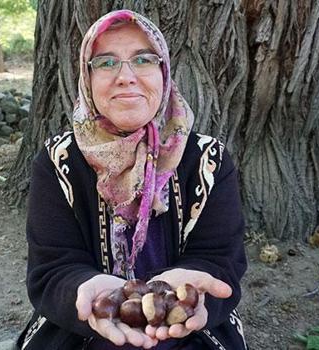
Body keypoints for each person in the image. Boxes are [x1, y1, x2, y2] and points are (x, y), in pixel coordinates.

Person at [17, 9, 248, 350]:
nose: (125, 76)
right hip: (81, 328)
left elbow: (219, 259)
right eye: (106, 63)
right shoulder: (57, 161)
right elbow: (52, 267)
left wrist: (183, 298)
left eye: (143, 59)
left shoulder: (208, 160)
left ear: (164, 72)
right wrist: (87, 291)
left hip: (186, 327)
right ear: (87, 78)